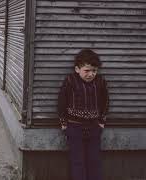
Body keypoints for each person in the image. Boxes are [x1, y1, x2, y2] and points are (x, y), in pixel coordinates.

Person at [58, 49, 109, 180]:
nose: (91, 74)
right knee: (77, 161)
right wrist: (64, 123)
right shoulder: (70, 81)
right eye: (87, 70)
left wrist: (102, 121)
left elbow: (105, 101)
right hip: (74, 127)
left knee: (94, 160)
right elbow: (62, 102)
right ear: (77, 69)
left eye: (94, 71)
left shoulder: (100, 82)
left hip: (94, 127)